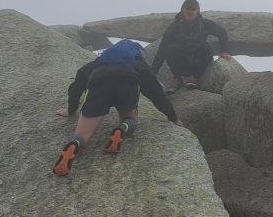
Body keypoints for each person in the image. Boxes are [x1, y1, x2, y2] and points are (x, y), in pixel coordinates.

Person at [52, 39, 182, 177]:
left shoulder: (100, 61)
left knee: (82, 134)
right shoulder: (137, 61)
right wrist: (173, 117)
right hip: (126, 83)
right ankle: (122, 128)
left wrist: (71, 109)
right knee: (130, 119)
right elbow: (155, 91)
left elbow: (78, 81)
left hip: (99, 82)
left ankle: (75, 143)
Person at [151, 0, 232, 92]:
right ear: (182, 10)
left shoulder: (205, 23)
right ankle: (177, 79)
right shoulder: (174, 26)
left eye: (193, 9)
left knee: (206, 47)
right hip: (182, 60)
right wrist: (153, 72)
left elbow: (222, 33)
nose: (190, 12)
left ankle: (196, 77)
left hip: (198, 59)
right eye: (187, 9)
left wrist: (224, 51)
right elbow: (162, 47)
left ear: (197, 11)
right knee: (171, 49)